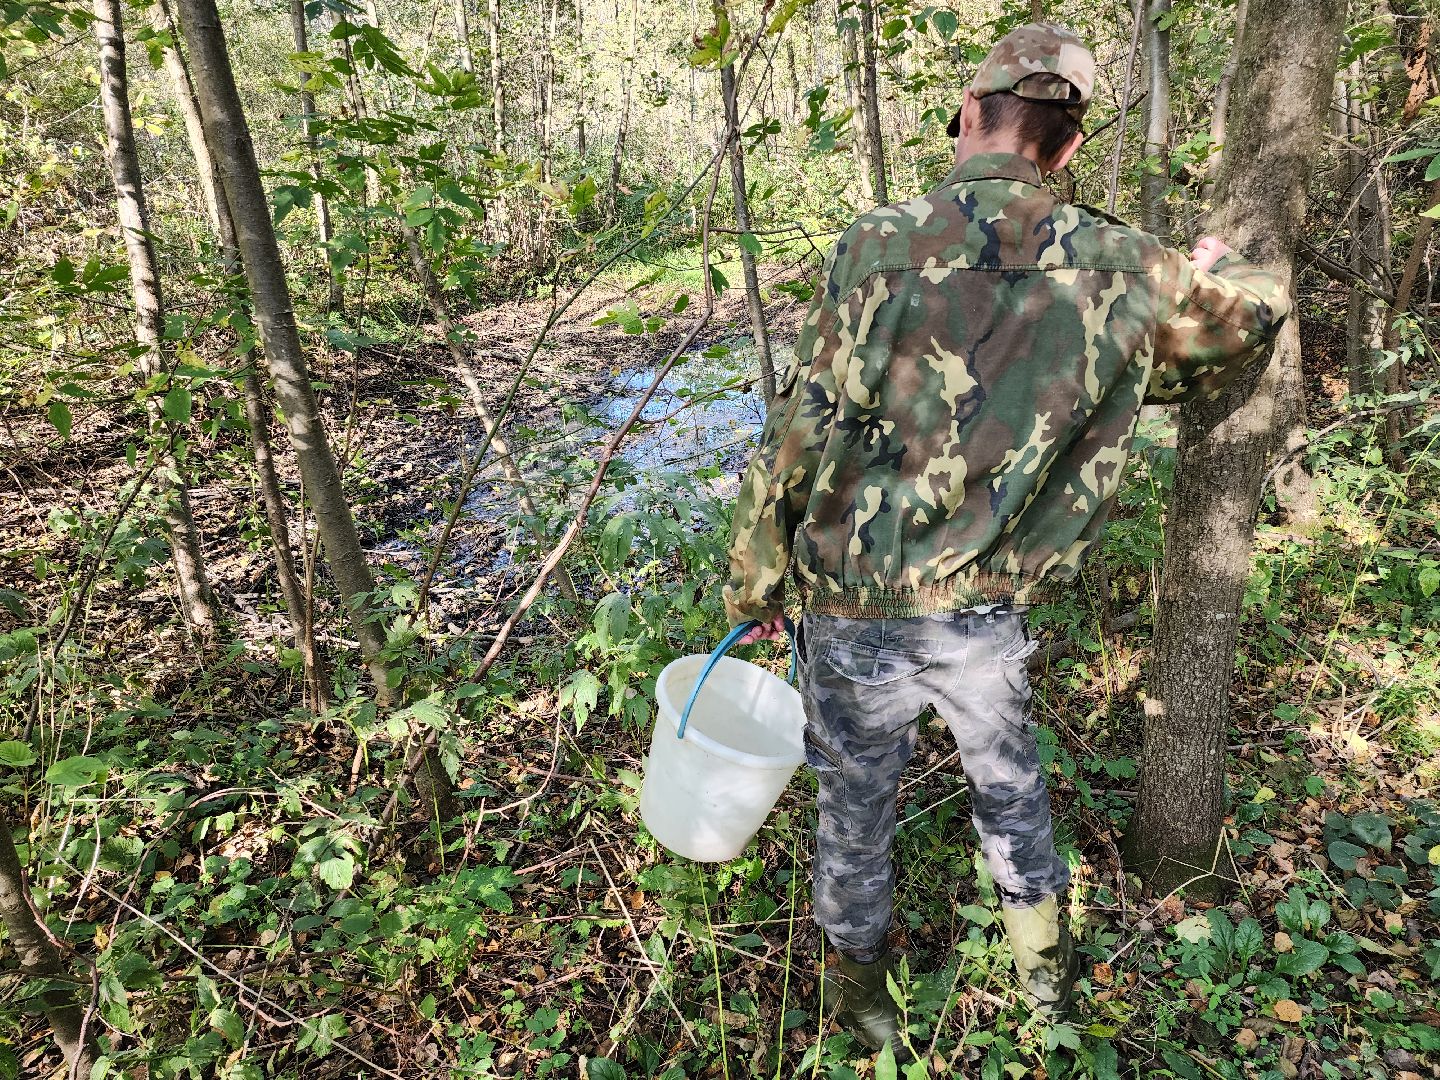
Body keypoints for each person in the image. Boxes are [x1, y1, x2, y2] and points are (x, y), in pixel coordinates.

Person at [722, 20, 1290, 1060]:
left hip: (850, 602)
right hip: (981, 613)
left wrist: (754, 583)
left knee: (854, 810)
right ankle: (1050, 1001)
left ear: (970, 120)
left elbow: (802, 427)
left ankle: (861, 1007)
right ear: (1067, 149)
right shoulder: (1122, 262)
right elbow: (1244, 321)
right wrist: (1210, 271)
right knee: (1010, 793)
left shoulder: (875, 241)